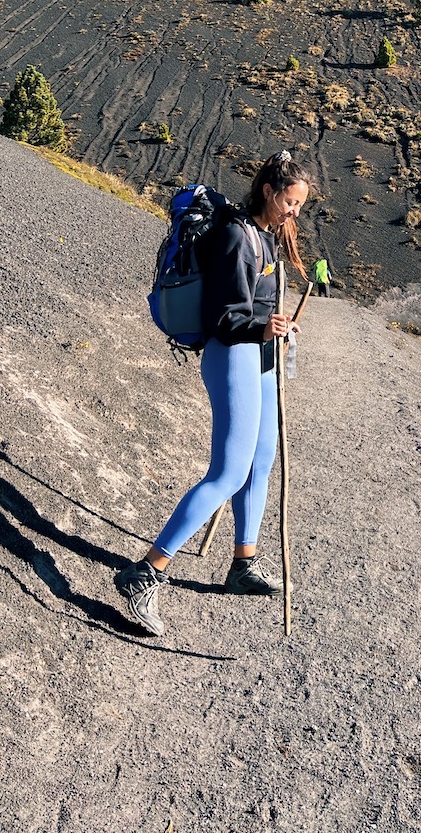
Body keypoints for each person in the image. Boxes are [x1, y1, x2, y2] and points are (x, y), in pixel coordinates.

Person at [114, 150, 311, 635]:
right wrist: (264, 327)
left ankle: (242, 565)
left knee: (262, 459)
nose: (295, 212)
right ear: (269, 191)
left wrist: (277, 328)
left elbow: (257, 303)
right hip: (234, 356)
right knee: (227, 473)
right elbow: (223, 318)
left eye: (301, 206)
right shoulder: (236, 236)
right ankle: (146, 572)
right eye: (291, 202)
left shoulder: (266, 237)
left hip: (260, 356)